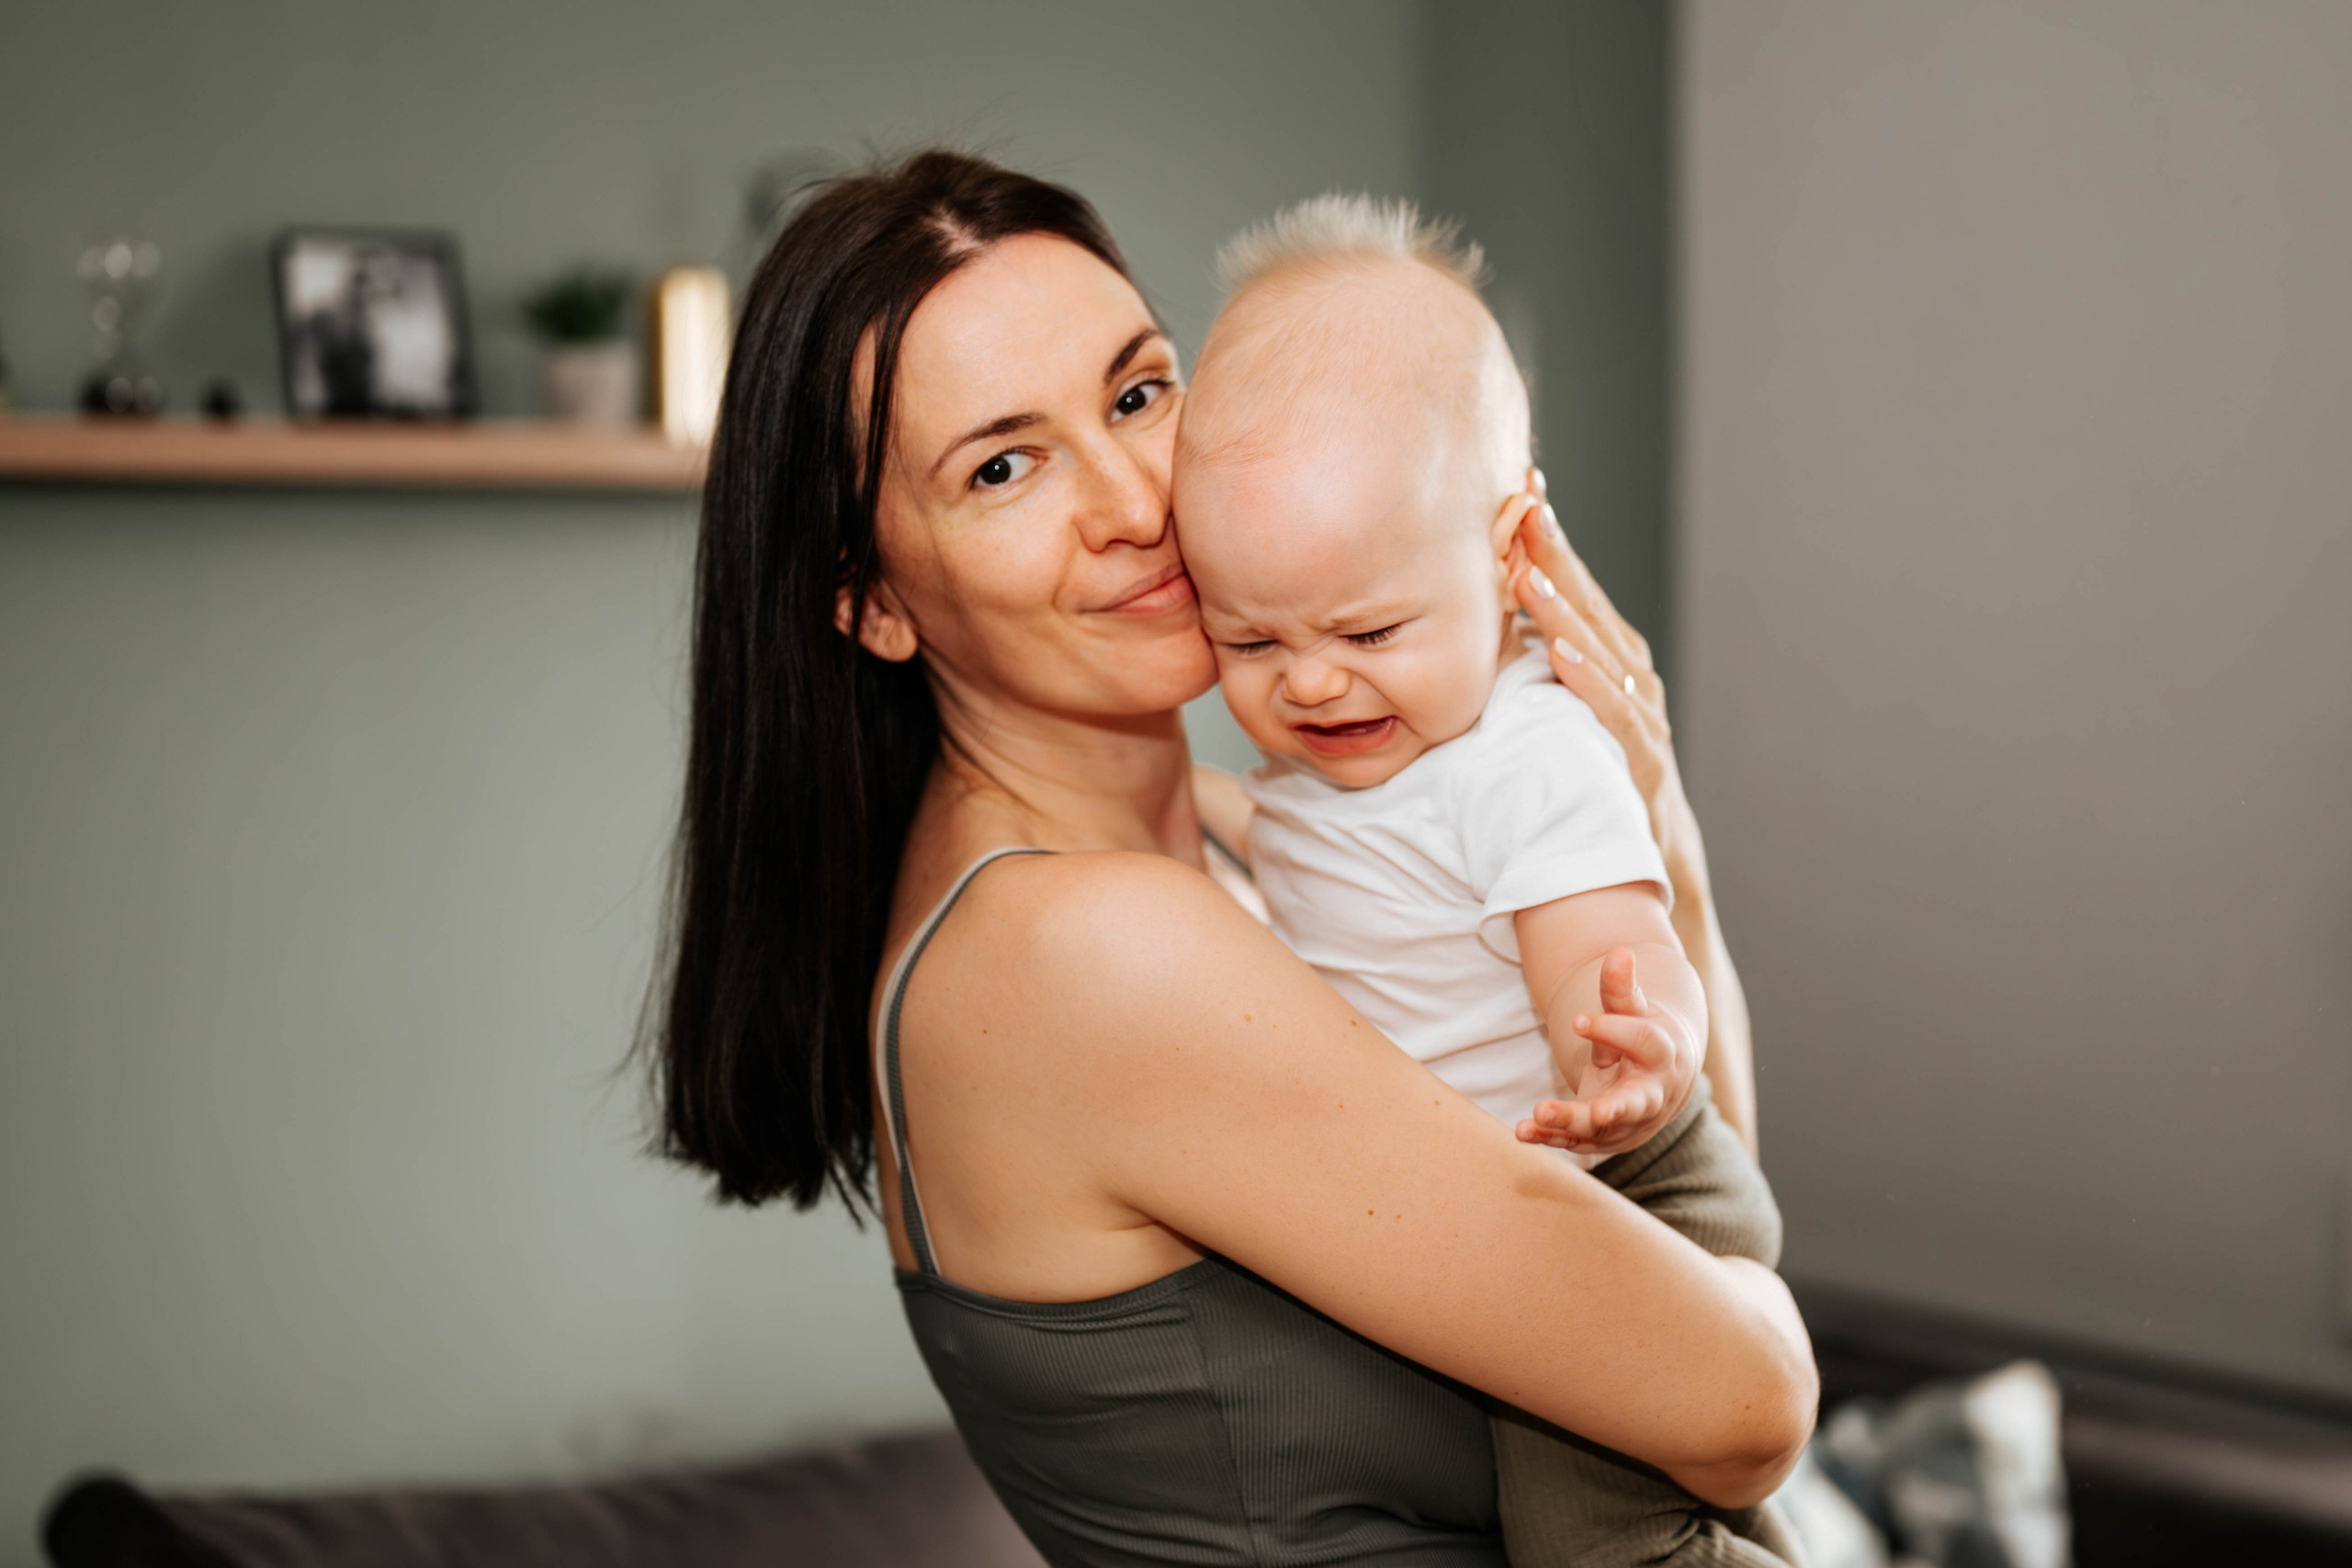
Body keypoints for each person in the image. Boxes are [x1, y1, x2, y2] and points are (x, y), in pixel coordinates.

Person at [649, 149, 1813, 1567]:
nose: (1137, 499)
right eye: (1005, 466)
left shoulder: (1280, 851)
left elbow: (1684, 1194)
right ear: (875, 601)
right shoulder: (1086, 952)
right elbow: (1749, 1402)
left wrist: (1647, 836)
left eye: (1139, 394)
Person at [1174, 196, 1793, 1568]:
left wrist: (1625, 1050)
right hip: (1527, 1187)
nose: (1314, 678)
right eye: (1251, 639)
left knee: (1599, 1540)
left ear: (1510, 560)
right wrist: (1173, 802)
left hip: (1618, 1174)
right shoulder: (1337, 768)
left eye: (1369, 627)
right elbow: (1280, 842)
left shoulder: (1523, 752)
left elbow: (1604, 941)